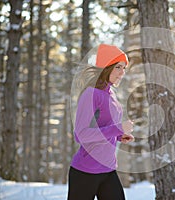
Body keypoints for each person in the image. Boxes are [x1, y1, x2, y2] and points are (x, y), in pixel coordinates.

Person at [67, 44, 134, 200]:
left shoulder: (111, 94)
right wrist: (117, 129)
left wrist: (119, 135)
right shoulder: (91, 94)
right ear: (106, 67)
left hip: (108, 169)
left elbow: (104, 127)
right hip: (85, 172)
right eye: (118, 67)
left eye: (124, 68)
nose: (122, 73)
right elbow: (81, 135)